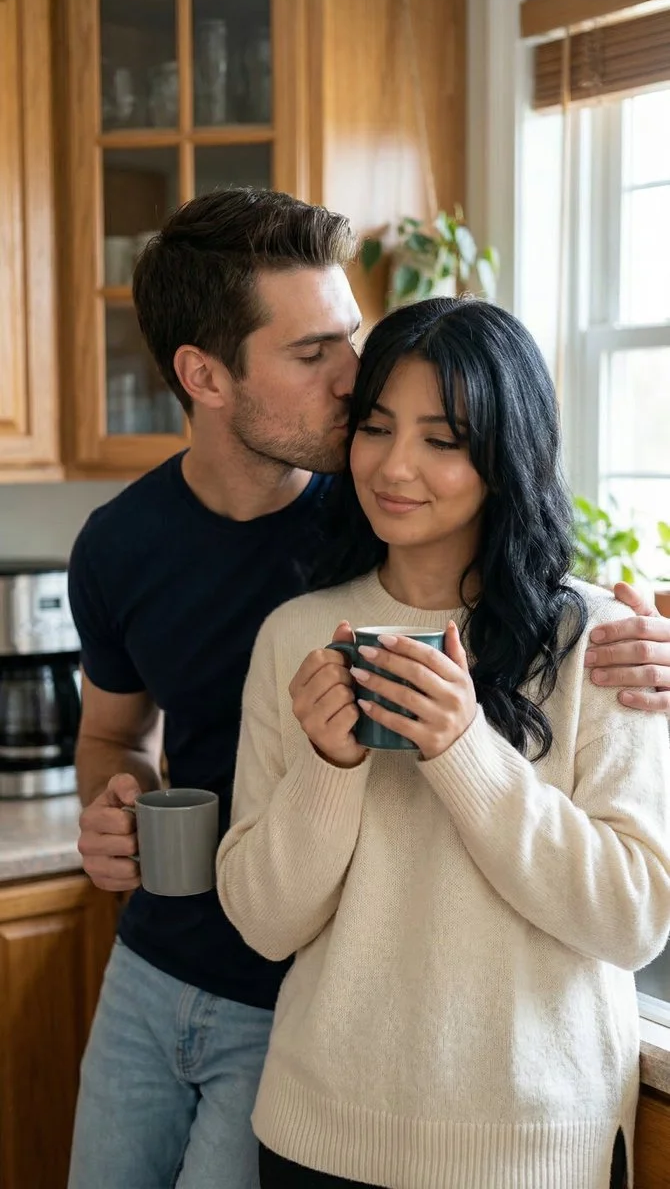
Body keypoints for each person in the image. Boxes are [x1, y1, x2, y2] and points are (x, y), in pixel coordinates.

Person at [68, 187, 670, 1189]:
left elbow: (529, 538)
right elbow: (113, 739)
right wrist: (111, 808)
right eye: (315, 357)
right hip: (180, 972)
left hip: (326, 1037)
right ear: (203, 376)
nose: (357, 388)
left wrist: (639, 644)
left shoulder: (422, 517)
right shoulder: (141, 554)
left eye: (351, 339)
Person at [217, 297, 670, 1189]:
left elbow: (632, 918)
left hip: (534, 1149)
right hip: (321, 1140)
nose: (394, 466)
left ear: (506, 458)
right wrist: (329, 766)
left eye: (444, 438)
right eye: (376, 427)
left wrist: (466, 751)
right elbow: (265, 925)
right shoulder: (296, 636)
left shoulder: (605, 641)